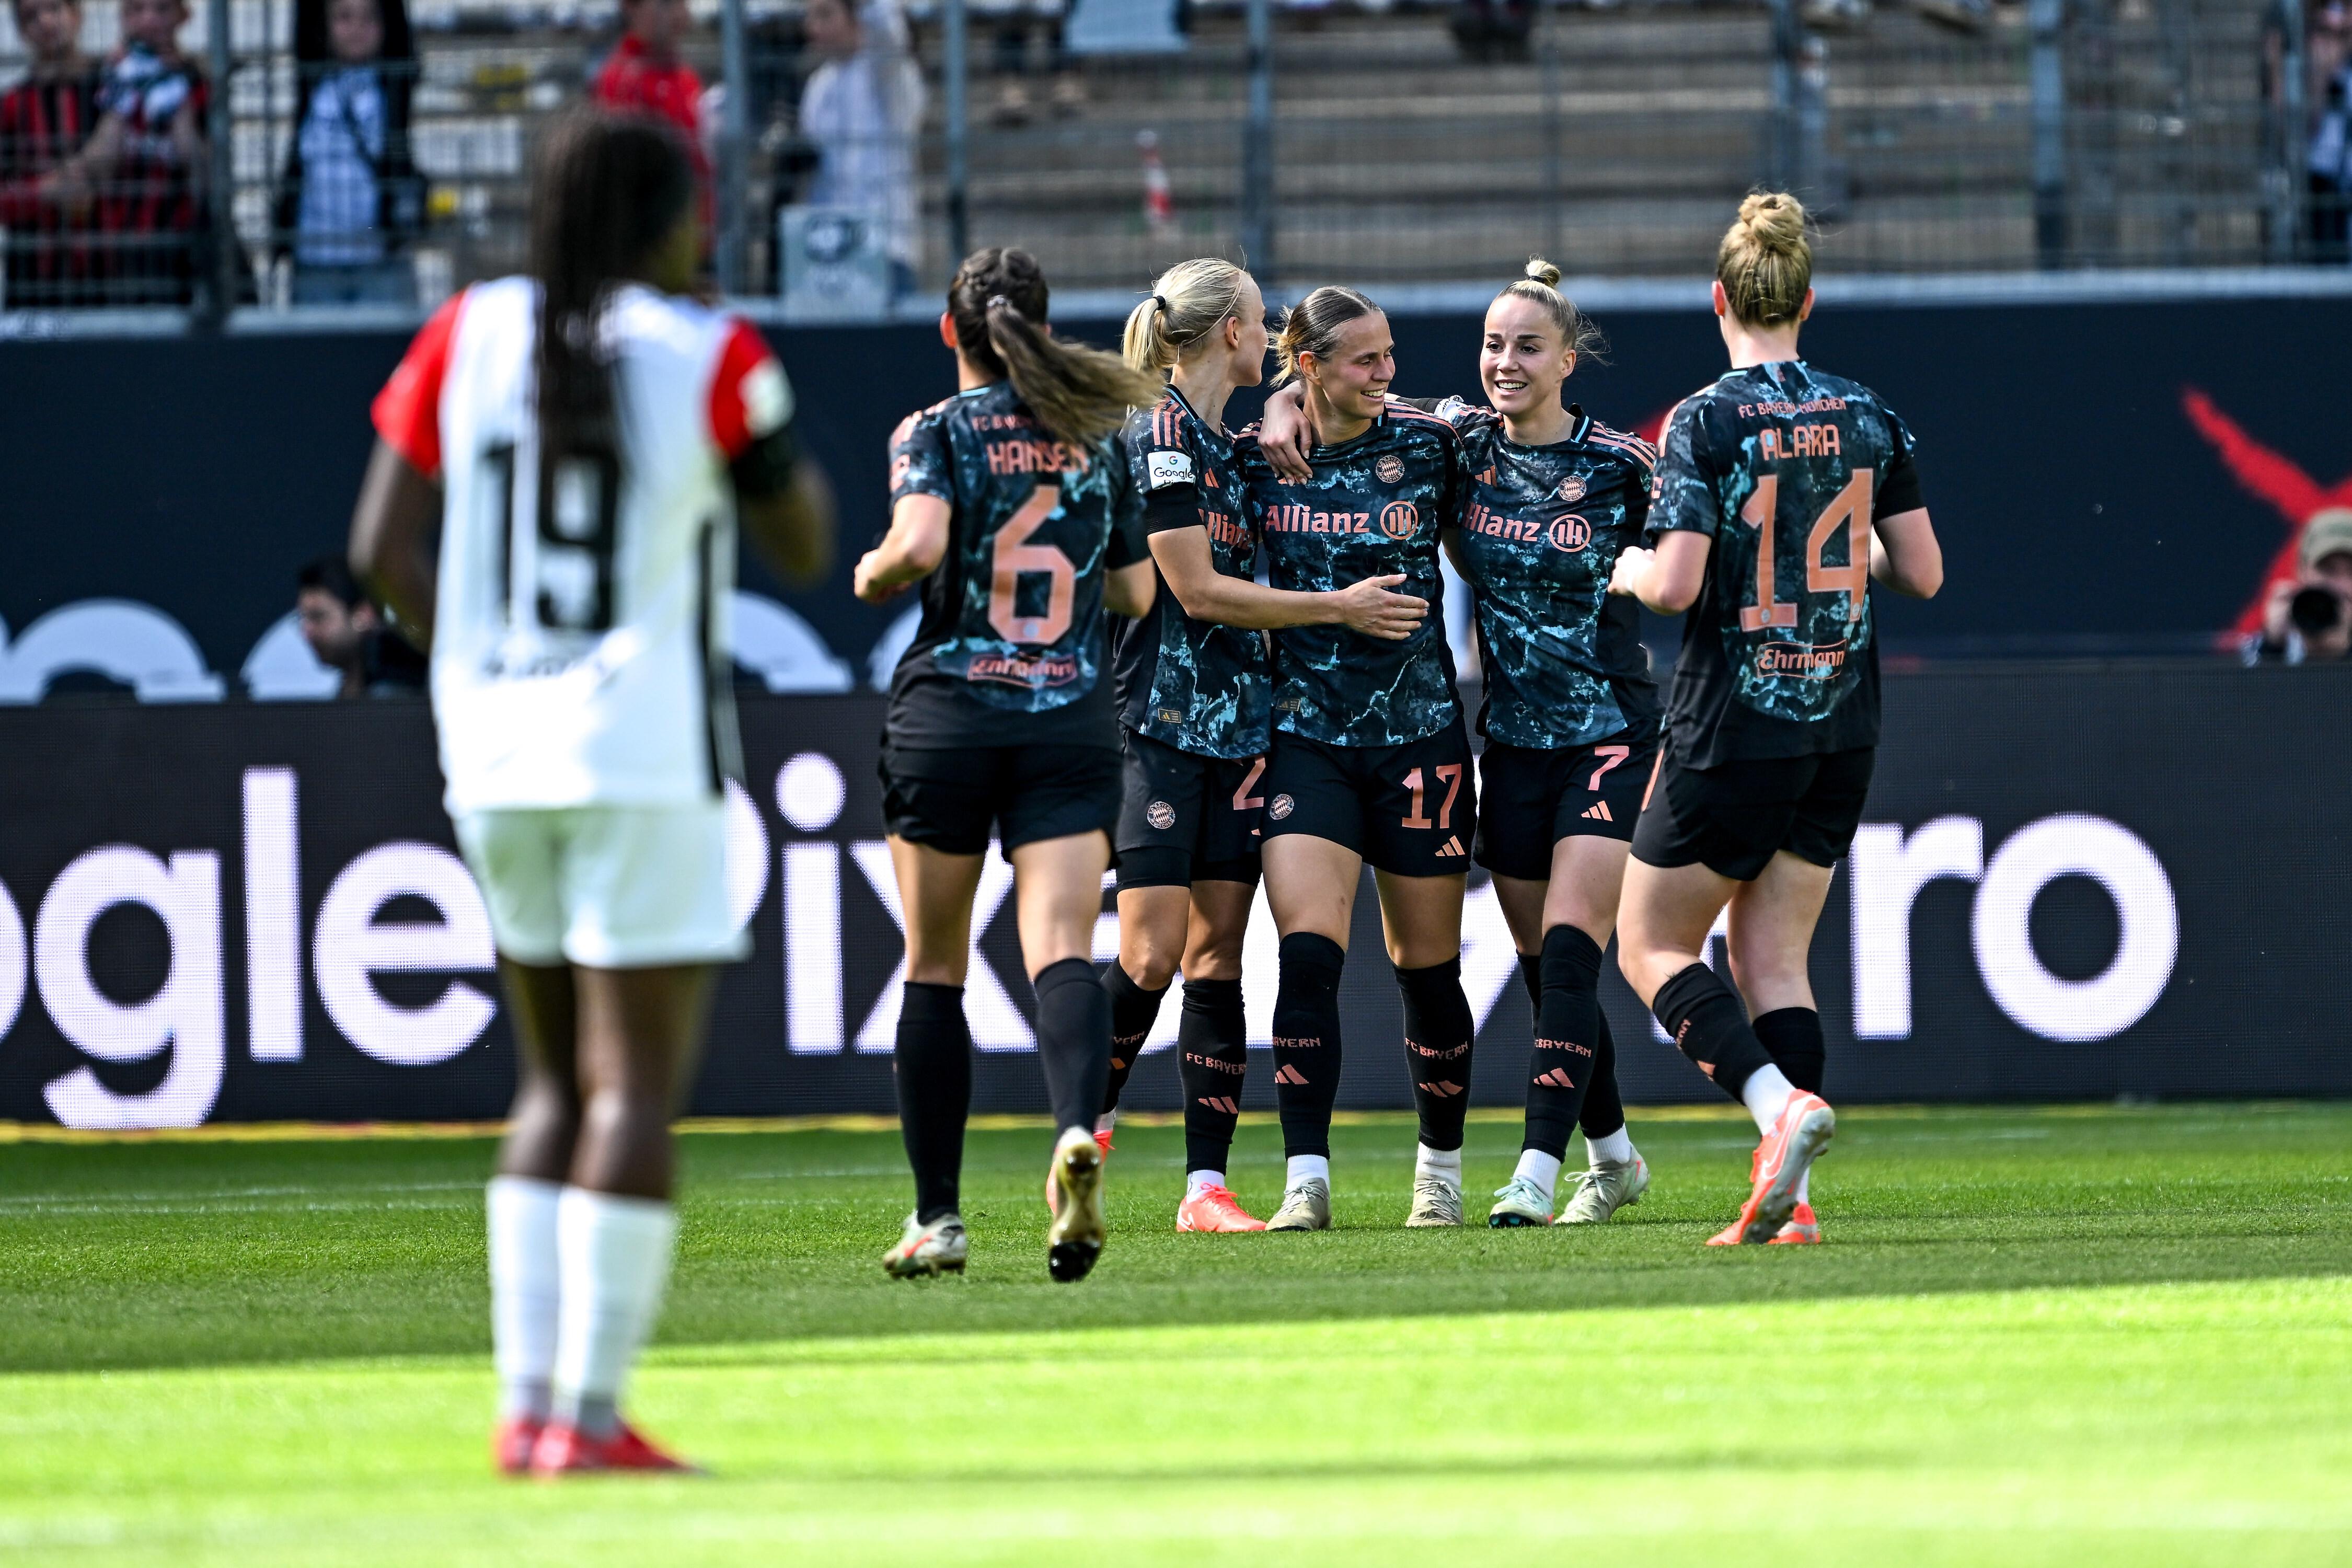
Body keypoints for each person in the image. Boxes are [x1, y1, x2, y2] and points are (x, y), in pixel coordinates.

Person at [348, 110, 835, 1475]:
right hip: (638, 749)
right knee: (633, 1088)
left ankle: (525, 1410)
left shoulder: (468, 332)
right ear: (668, 220)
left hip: (492, 749)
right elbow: (801, 539)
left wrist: (490, 666)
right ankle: (592, 1414)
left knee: (551, 1080)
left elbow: (380, 545)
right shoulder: (711, 353)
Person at [1260, 258, 1659, 1229]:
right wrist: (1281, 403)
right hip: (1506, 740)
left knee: (1562, 956)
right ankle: (1612, 1155)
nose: (1504, 362)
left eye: (1526, 346)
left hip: (1603, 730)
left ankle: (1521, 1171)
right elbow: (1329, 386)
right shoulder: (1459, 440)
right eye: (1491, 344)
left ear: (1570, 358)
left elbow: (1702, 555)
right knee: (1535, 959)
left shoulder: (1621, 465)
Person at [1608, 192, 1942, 1247]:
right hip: (1842, 724)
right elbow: (1923, 573)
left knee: (1649, 943)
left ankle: (1776, 1110)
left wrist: (1616, 567)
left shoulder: (1702, 420)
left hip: (1733, 725)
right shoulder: (1869, 411)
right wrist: (1832, 554)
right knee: (1776, 963)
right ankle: (1793, 1204)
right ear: (1808, 298)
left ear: (1720, 300)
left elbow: (1673, 586)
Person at [854, 246, 1162, 1283]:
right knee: (1062, 954)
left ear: (952, 333)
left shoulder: (933, 432)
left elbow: (921, 543)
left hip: (949, 718)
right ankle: (1076, 1132)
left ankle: (938, 1219)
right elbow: (1136, 595)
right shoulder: (1095, 437)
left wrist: (874, 570)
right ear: (1041, 324)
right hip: (1067, 721)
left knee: (936, 964)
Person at [1104, 258, 1428, 1233]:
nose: (1270, 331)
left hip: (1239, 736)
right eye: (1261, 320)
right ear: (1233, 334)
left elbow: (1313, 387)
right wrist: (1338, 607)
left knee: (1214, 962)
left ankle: (1206, 1189)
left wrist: (1292, 396)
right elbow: (1195, 591)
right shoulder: (1159, 436)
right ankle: (1081, 1133)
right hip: (1161, 727)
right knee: (1153, 954)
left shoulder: (1226, 442)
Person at [1231, 285, 1481, 1232]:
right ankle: (1305, 1177)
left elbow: (1514, 430)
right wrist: (1275, 410)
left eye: (1390, 355)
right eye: (1364, 360)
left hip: (1420, 737)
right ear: (1309, 367)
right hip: (1306, 740)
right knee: (1305, 957)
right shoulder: (1265, 458)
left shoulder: (1433, 441)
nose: (1386, 374)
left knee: (1428, 969)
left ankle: (1441, 1171)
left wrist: (1283, 400)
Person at [272, 0, 421, 307]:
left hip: (378, 257)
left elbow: (402, 40)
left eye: (369, 19)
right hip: (316, 257)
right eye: (343, 18)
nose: (357, 30)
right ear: (324, 26)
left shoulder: (394, 84)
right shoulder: (312, 82)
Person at [68, 0, 210, 305]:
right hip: (119, 244)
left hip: (182, 245)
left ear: (183, 16)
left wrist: (176, 96)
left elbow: (204, 172)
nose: (149, 21)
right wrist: (121, 96)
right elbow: (96, 169)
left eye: (162, 9)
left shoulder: (200, 78)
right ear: (122, 17)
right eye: (136, 10)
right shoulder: (102, 78)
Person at [798, 0, 924, 297]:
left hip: (887, 248)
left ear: (858, 19)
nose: (813, 28)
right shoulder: (818, 87)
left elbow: (889, 34)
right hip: (832, 252)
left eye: (826, 15)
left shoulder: (891, 76)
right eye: (810, 17)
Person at [0, 0, 101, 308]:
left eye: (54, 9)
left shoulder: (110, 89)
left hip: (109, 270)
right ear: (21, 31)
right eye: (31, 17)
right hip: (36, 275)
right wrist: (46, 192)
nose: (45, 22)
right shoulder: (13, 105)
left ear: (76, 15)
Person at [295, 554, 425, 696]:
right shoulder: (344, 694)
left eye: (318, 617)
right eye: (303, 618)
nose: (307, 631)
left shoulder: (396, 696)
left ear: (364, 614)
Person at [2247, 508, 2352, 663]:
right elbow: (2247, 686)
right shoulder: (2265, 646)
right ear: (2302, 571)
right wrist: (2273, 648)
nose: (2342, 585)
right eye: (2329, 570)